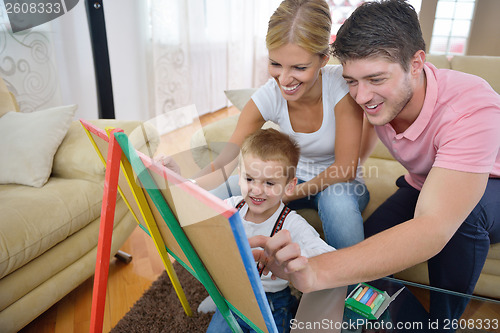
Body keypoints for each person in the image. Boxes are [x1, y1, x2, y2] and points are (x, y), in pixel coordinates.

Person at [249, 0, 500, 330]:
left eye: (376, 79)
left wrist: (318, 271)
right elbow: (355, 156)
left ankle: (443, 323)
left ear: (416, 63)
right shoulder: (376, 99)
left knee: (462, 218)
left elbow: (434, 225)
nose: (362, 96)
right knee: (367, 252)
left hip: (489, 188)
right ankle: (407, 322)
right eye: (352, 81)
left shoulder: (471, 106)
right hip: (423, 181)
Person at [197, 0, 369, 249]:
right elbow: (226, 159)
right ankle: (225, 267)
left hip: (338, 183)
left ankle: (355, 284)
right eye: (276, 64)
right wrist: (182, 187)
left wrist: (288, 193)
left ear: (323, 59)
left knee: (337, 203)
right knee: (218, 191)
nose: (284, 79)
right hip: (287, 181)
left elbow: (345, 168)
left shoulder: (341, 86)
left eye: (299, 67)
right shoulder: (269, 95)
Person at [206, 128, 335, 333]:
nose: (256, 190)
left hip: (272, 302)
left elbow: (329, 256)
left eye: (269, 183)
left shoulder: (292, 224)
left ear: (289, 186)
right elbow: (197, 220)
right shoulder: (230, 207)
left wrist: (297, 259)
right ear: (239, 177)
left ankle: (292, 306)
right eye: (249, 179)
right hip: (233, 298)